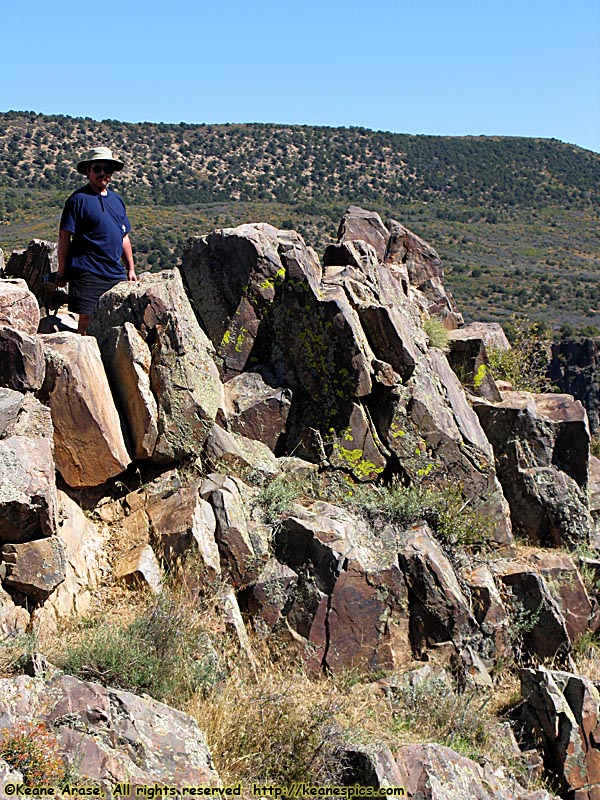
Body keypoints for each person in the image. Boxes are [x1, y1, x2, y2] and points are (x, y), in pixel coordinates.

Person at [57, 146, 137, 334]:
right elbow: (64, 236)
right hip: (87, 271)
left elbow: (124, 236)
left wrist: (131, 268)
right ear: (88, 171)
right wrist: (62, 272)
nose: (103, 173)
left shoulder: (117, 201)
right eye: (97, 169)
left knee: (117, 321)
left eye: (107, 169)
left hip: (114, 271)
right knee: (86, 321)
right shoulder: (78, 200)